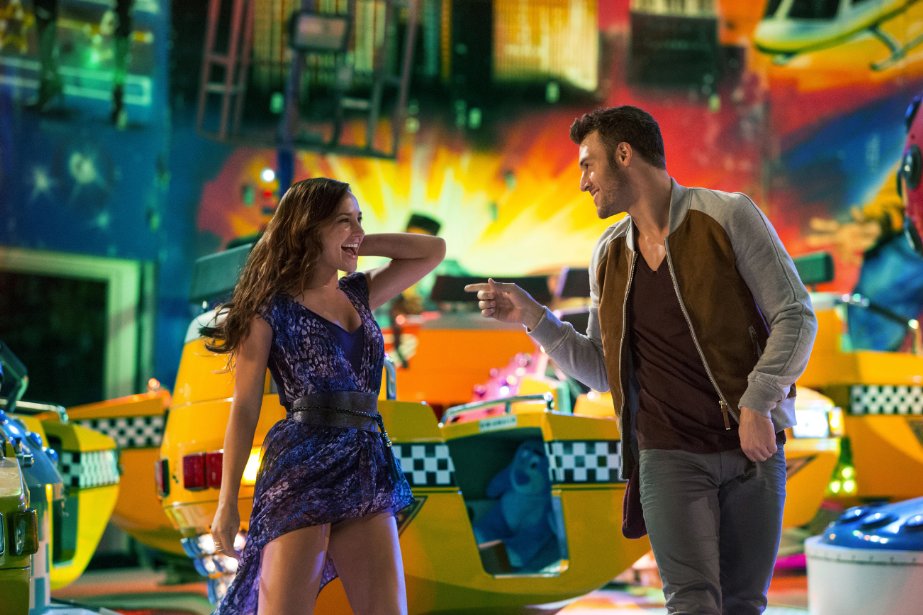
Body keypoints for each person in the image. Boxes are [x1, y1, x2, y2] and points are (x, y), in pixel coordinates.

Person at [465, 105, 816, 615]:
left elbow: (796, 316)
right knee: (692, 604)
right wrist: (534, 318)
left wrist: (758, 402)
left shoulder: (728, 216)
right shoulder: (607, 255)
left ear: (625, 155)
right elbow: (601, 371)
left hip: (751, 449)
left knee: (743, 604)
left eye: (588, 165)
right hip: (667, 455)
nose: (583, 182)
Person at [204, 177, 445, 614]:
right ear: (308, 229)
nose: (357, 230)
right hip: (302, 468)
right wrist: (226, 503)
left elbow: (433, 250)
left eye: (359, 219)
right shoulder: (269, 307)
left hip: (365, 462)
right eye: (343, 221)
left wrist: (354, 240)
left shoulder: (359, 292)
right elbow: (244, 409)